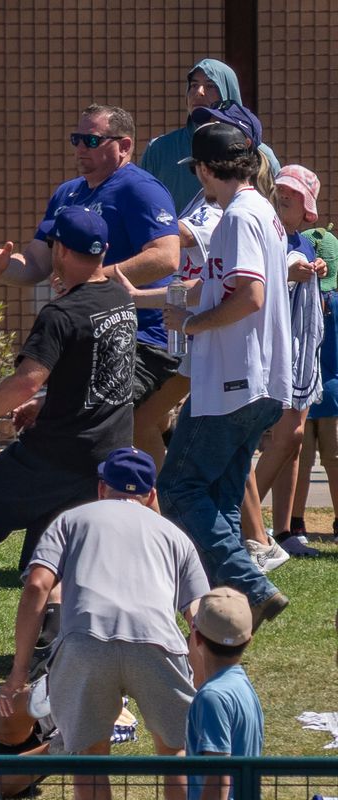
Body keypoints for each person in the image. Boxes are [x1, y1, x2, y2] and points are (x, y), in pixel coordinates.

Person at [0, 448, 210, 800]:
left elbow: (37, 585)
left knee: (89, 760)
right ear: (152, 495)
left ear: (101, 488)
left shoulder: (71, 520)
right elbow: (199, 616)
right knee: (175, 754)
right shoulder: (176, 536)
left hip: (85, 644)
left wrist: (19, 672)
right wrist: (206, 684)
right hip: (158, 641)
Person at [0, 207, 137, 587]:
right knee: (52, 544)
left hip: (59, 451)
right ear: (105, 250)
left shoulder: (61, 313)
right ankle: (49, 634)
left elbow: (24, 383)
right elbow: (102, 372)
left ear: (61, 250)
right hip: (108, 450)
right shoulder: (121, 299)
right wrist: (50, 401)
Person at [0, 104, 179, 467]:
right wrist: (5, 267)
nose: (80, 148)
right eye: (77, 139)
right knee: (125, 425)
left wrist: (96, 280)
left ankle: (159, 509)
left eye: (91, 140)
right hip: (89, 335)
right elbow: (37, 264)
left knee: (99, 419)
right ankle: (158, 503)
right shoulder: (67, 194)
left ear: (124, 146)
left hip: (142, 338)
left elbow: (166, 256)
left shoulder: (140, 189)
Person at [157, 105, 292, 629]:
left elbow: (249, 297)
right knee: (220, 495)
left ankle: (252, 589)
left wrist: (192, 326)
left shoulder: (236, 216)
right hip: (260, 383)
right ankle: (232, 603)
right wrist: (140, 295)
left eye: (196, 169)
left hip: (234, 380)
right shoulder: (264, 213)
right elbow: (218, 287)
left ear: (207, 168)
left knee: (178, 489)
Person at [240, 165, 325, 558]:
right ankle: (242, 520)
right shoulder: (268, 230)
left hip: (298, 354)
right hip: (271, 349)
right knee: (285, 437)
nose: (284, 195)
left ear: (307, 211)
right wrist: (288, 271)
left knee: (291, 444)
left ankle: (284, 528)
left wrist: (314, 270)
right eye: (282, 189)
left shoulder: (303, 241)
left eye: (294, 193)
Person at [141, 58, 280, 214]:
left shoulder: (260, 155)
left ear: (228, 92)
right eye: (193, 85)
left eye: (211, 86)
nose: (199, 92)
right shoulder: (159, 149)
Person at [185, 587, 264, 800]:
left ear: (197, 637)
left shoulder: (212, 697)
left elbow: (218, 778)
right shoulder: (243, 686)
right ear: (249, 641)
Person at [291, 226, 338, 539]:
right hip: (333, 388)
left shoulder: (294, 295)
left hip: (300, 384)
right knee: (334, 459)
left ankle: (294, 521)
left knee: (298, 458)